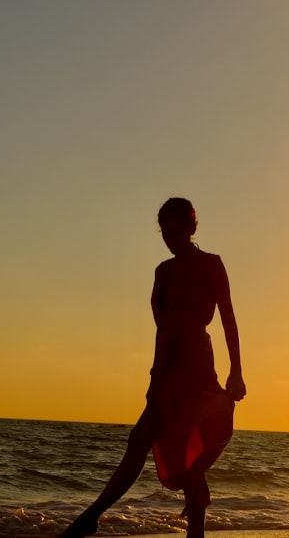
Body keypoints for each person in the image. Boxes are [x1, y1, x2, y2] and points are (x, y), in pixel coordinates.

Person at [61, 198, 247, 538]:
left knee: (180, 436)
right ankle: (100, 517)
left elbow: (228, 317)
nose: (171, 238)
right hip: (168, 362)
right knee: (149, 438)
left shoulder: (211, 264)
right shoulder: (163, 271)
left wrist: (237, 370)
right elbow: (162, 327)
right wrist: (155, 374)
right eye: (165, 232)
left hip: (197, 360)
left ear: (193, 228)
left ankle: (94, 517)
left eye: (178, 230)